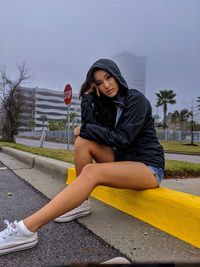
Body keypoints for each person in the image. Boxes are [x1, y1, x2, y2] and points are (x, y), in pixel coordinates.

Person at [0, 59, 164, 256]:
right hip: (123, 160)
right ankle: (82, 203)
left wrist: (85, 128)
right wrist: (87, 98)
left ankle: (26, 229)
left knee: (91, 171)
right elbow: (87, 131)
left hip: (148, 167)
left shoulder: (136, 100)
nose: (107, 85)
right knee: (82, 141)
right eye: (100, 83)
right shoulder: (109, 105)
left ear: (117, 75)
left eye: (109, 77)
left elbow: (122, 138)